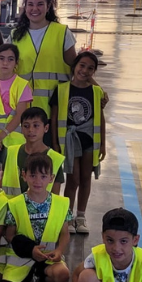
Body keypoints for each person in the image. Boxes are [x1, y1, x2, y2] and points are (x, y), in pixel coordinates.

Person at [0, 152, 72, 282]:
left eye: (43, 177)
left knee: (63, 275)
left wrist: (59, 250)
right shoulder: (15, 203)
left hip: (48, 258)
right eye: (33, 175)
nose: (38, 181)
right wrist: (30, 249)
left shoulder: (61, 203)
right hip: (20, 260)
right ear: (24, 175)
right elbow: (10, 235)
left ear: (51, 178)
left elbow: (65, 233)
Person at [51, 51, 107, 234]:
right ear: (74, 66)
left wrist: (103, 144)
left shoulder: (96, 92)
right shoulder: (61, 89)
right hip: (69, 141)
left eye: (90, 68)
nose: (85, 70)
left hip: (89, 140)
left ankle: (81, 216)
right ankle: (67, 217)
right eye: (82, 65)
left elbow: (101, 118)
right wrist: (55, 143)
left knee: (85, 178)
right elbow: (53, 119)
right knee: (73, 179)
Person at [10, 0, 77, 115]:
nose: (35, 9)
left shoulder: (62, 33)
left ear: (48, 7)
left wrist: (95, 89)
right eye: (30, 4)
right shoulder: (15, 35)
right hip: (23, 109)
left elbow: (77, 68)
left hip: (55, 107)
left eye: (40, 4)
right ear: (25, 7)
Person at [0, 107, 65, 197]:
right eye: (26, 126)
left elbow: (55, 197)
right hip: (11, 209)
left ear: (46, 128)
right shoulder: (10, 152)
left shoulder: (55, 158)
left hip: (40, 211)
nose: (31, 130)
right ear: (21, 128)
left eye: (36, 125)